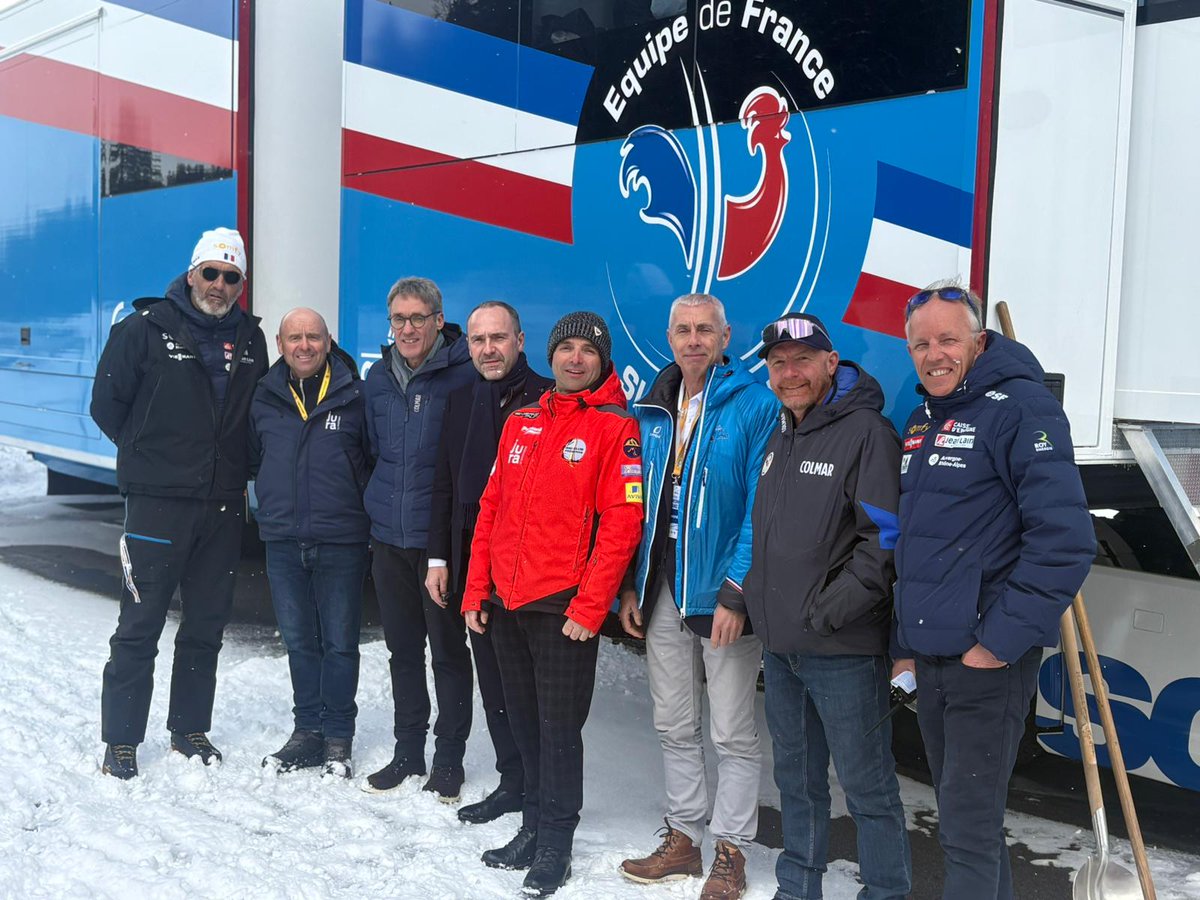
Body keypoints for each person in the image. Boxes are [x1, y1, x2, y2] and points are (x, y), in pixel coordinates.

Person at [892, 284, 1094, 899]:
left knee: (967, 828)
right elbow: (913, 542)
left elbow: (1065, 542)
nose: (935, 355)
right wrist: (904, 644)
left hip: (985, 663)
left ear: (978, 342)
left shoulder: (1020, 409)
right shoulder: (924, 415)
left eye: (949, 340)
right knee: (963, 827)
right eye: (921, 344)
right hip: (931, 659)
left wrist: (998, 644)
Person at [461, 312, 643, 897]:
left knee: (559, 730)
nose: (573, 358)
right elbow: (491, 508)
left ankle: (555, 845)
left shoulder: (616, 428)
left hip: (563, 609)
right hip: (508, 603)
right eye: (564, 347)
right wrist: (475, 589)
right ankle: (533, 827)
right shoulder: (522, 420)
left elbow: (623, 523)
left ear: (602, 359)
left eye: (586, 350)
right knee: (524, 723)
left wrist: (591, 608)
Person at [743, 312, 911, 900]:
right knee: (797, 780)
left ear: (831, 363)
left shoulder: (867, 432)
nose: (790, 373)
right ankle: (798, 888)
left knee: (867, 787)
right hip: (784, 647)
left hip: (841, 649)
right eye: (779, 363)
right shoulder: (781, 430)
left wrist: (826, 610)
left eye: (803, 360)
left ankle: (887, 891)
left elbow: (885, 540)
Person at [90, 227, 268, 779]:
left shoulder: (252, 338)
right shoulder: (143, 329)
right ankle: (121, 740)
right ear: (192, 273)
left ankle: (189, 729)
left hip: (220, 504)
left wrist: (241, 469)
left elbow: (257, 417)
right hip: (156, 505)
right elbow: (106, 405)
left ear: (241, 284)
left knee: (206, 624)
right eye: (210, 273)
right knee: (139, 623)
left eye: (230, 276)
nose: (218, 284)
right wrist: (151, 459)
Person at [616, 294, 776, 900]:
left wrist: (737, 591)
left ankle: (731, 851)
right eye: (682, 329)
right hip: (661, 589)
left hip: (721, 594)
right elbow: (639, 505)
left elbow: (763, 512)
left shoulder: (754, 404)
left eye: (704, 330)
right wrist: (632, 581)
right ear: (669, 335)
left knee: (733, 731)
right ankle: (683, 839)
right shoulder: (654, 407)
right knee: (674, 724)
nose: (693, 340)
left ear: (725, 335)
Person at [425, 301, 553, 823]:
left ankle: (544, 792)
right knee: (494, 680)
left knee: (533, 689)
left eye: (498, 338)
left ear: (520, 340)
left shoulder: (550, 398)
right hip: (478, 569)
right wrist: (439, 558)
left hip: (535, 572)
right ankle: (512, 781)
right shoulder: (459, 399)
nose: (488, 349)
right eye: (478, 340)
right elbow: (443, 486)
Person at [362, 276, 478, 796]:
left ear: (438, 320)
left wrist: (451, 548)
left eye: (417, 318)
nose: (407, 328)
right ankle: (407, 751)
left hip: (442, 547)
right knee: (402, 650)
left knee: (448, 653)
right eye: (398, 319)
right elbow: (368, 451)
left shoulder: (464, 378)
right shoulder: (377, 378)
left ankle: (448, 759)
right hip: (388, 538)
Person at [250, 309, 371, 779]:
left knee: (340, 643)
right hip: (282, 539)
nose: (304, 345)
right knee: (300, 643)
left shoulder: (354, 395)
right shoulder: (263, 395)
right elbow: (251, 454)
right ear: (280, 343)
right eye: (295, 337)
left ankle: (338, 736)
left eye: (313, 337)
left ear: (328, 341)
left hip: (341, 538)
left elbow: (372, 459)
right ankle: (307, 733)